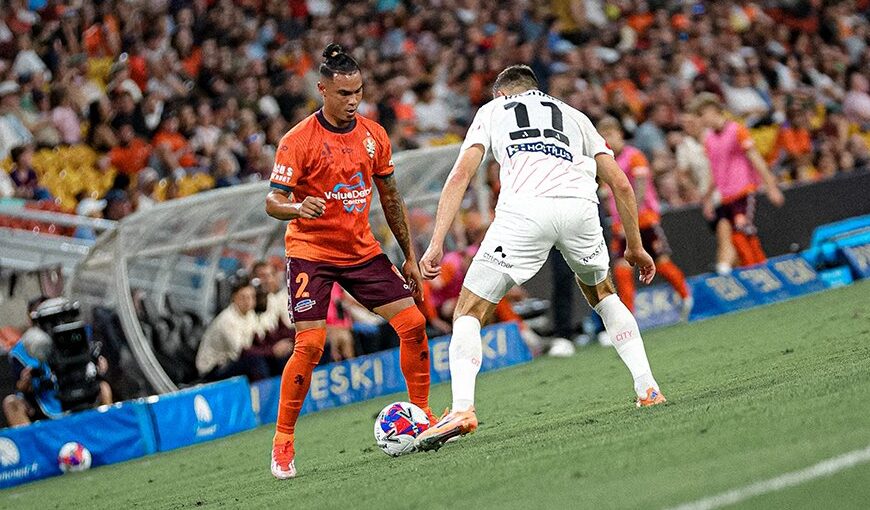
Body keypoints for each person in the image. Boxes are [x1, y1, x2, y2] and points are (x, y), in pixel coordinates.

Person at [417, 65, 666, 451]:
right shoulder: (574, 115)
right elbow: (620, 183)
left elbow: (460, 176)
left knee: (468, 310)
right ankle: (648, 387)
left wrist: (435, 243)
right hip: (580, 208)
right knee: (604, 295)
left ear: (502, 95)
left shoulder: (493, 112)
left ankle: (463, 408)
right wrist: (635, 246)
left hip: (524, 213)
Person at [264, 44, 433, 479]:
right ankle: (283, 441)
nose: (353, 100)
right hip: (311, 253)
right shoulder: (298, 141)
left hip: (361, 250)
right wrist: (297, 209)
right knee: (312, 345)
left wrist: (408, 258)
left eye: (358, 91)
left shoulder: (374, 135)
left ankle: (422, 416)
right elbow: (272, 201)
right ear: (322, 89)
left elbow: (391, 197)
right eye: (344, 93)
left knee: (413, 323)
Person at [597, 116, 692, 320]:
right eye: (603, 136)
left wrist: (629, 215)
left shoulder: (634, 156)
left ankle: (686, 297)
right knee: (622, 270)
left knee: (662, 263)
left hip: (644, 219)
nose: (608, 140)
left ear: (620, 134)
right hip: (619, 224)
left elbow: (640, 187)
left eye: (610, 134)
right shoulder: (606, 162)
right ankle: (629, 315)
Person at [689, 93, 785, 274]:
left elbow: (755, 158)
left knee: (740, 233)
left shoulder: (736, 130)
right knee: (741, 236)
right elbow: (713, 170)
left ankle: (755, 273)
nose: (700, 120)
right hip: (725, 196)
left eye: (701, 115)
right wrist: (708, 198)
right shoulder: (708, 139)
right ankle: (762, 270)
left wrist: (771, 187)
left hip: (743, 190)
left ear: (712, 110)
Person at [3, 297, 112, 427]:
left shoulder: (76, 335)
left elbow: (94, 363)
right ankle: (32, 445)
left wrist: (99, 365)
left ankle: (107, 430)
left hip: (80, 391)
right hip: (43, 401)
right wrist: (26, 382)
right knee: (11, 403)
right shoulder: (21, 350)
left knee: (104, 388)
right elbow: (20, 387)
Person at [194, 276, 264, 382]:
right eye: (243, 297)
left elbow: (259, 339)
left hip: (229, 363)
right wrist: (270, 351)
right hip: (212, 370)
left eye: (251, 297)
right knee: (253, 362)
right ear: (234, 298)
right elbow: (240, 352)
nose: (248, 301)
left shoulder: (250, 314)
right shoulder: (227, 319)